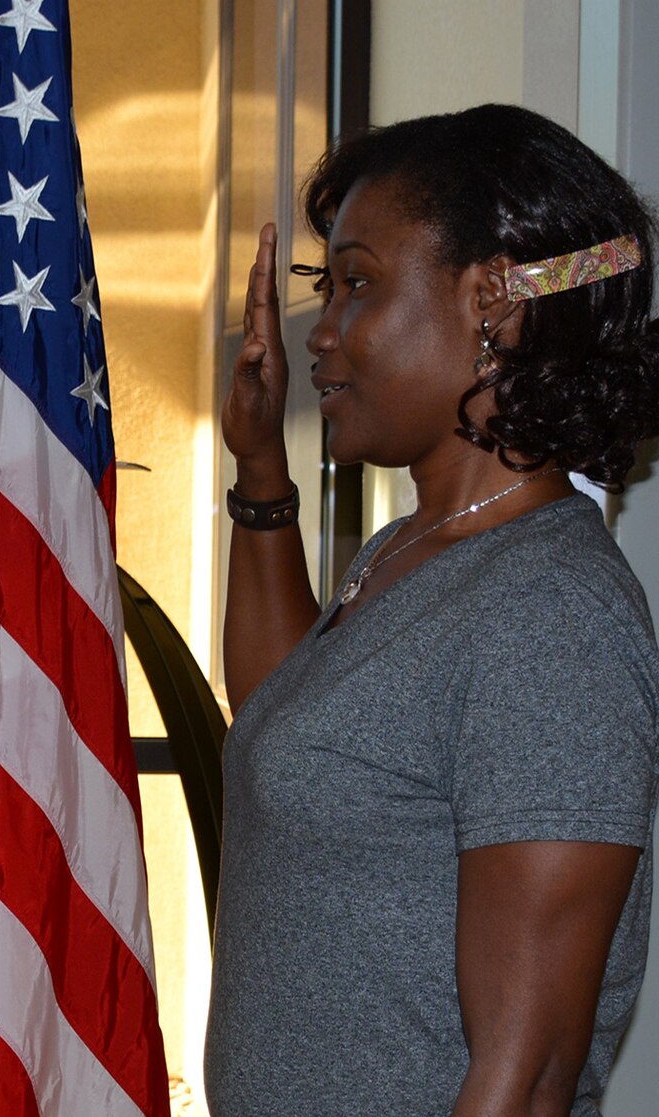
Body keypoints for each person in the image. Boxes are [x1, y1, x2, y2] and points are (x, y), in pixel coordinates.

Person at [205, 103, 659, 1116]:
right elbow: (284, 715)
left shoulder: (546, 616)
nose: (318, 332)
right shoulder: (411, 553)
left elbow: (525, 1071)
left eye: (356, 283)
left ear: (491, 298)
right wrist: (258, 468)